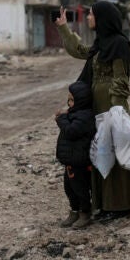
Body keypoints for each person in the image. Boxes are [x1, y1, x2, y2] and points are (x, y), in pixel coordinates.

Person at [55, 2, 130, 222]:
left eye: (92, 14)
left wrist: (115, 110)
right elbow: (81, 51)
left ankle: (120, 205)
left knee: (115, 151)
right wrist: (63, 28)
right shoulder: (100, 43)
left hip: (110, 107)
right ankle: (104, 204)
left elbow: (120, 79)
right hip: (97, 106)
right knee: (99, 152)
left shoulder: (120, 44)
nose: (88, 18)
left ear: (103, 18)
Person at [54, 81, 96, 229]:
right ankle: (74, 211)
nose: (69, 103)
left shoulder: (85, 116)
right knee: (69, 187)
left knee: (80, 188)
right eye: (68, 100)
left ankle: (85, 212)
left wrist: (61, 119)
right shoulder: (75, 113)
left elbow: (71, 131)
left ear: (81, 100)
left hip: (79, 161)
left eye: (72, 100)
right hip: (71, 159)